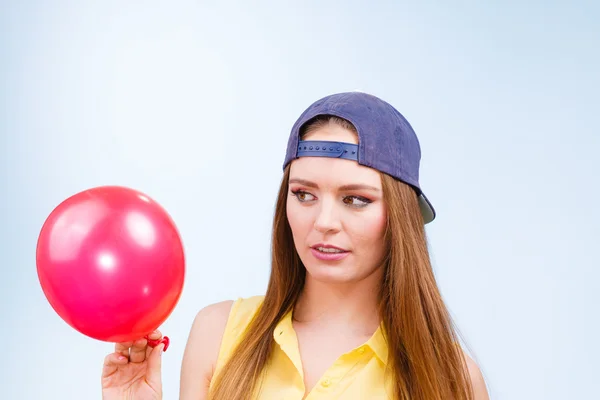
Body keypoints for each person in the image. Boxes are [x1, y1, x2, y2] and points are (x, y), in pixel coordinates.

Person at [101, 92, 490, 399]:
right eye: (304, 194)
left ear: (401, 217)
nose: (323, 222)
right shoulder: (218, 334)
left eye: (356, 199)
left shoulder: (450, 378)